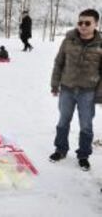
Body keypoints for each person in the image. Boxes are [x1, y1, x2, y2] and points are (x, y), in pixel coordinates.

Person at [49, 9, 102, 171]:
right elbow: (59, 63)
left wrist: (99, 95)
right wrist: (54, 84)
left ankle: (84, 155)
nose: (83, 26)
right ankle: (60, 149)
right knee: (63, 121)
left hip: (88, 91)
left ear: (96, 24)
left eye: (87, 23)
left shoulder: (100, 44)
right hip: (67, 88)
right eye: (80, 22)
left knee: (86, 125)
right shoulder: (69, 40)